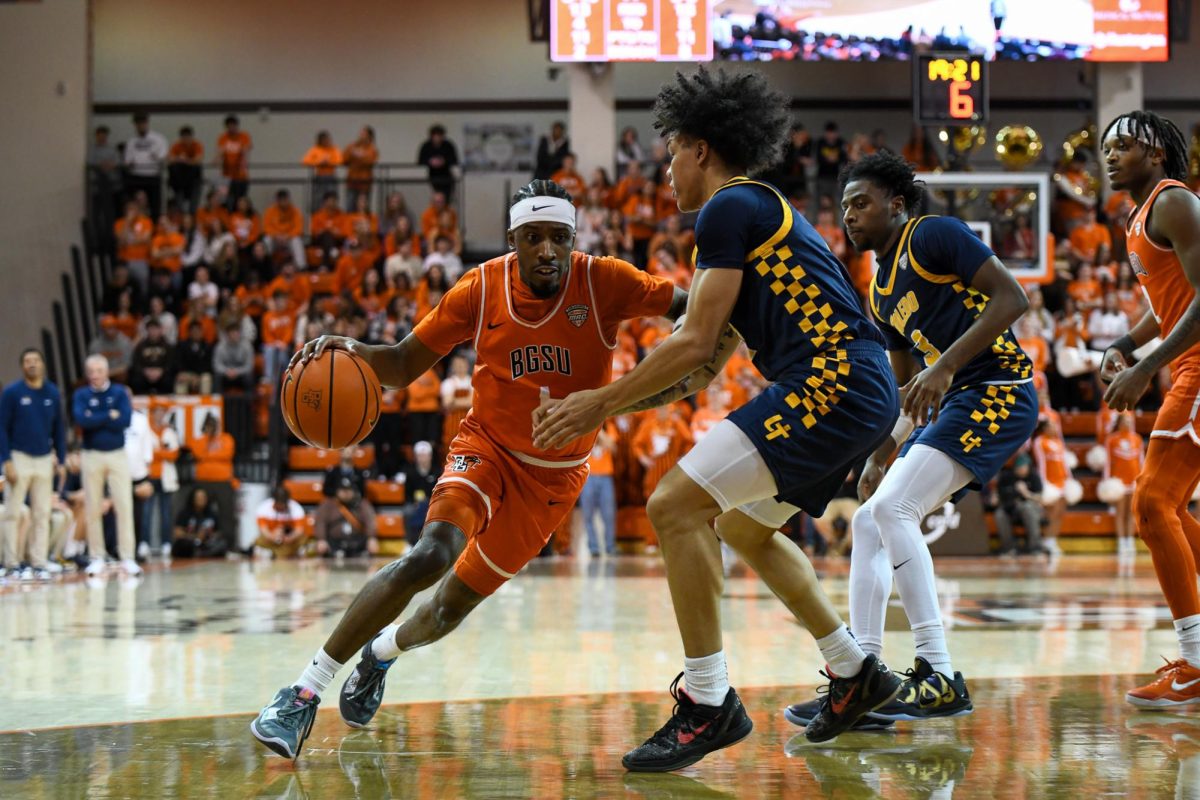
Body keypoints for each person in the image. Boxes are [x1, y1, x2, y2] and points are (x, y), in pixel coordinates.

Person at [532, 68, 905, 768]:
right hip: (860, 385)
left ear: (701, 148)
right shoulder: (755, 214)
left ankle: (708, 702)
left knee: (673, 505)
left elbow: (695, 341)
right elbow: (703, 366)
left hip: (833, 378)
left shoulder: (728, 208)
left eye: (670, 151)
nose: (664, 169)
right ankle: (855, 673)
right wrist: (605, 411)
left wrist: (599, 401)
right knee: (738, 523)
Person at [250, 178, 686, 759]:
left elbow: (693, 304)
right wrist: (350, 350)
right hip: (486, 447)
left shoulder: (604, 279)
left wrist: (693, 339)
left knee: (448, 609)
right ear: (513, 239)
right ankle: (302, 693)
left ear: (574, 238)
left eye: (560, 237)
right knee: (429, 553)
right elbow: (404, 364)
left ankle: (381, 654)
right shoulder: (480, 288)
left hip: (555, 477)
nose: (548, 251)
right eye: (534, 238)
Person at [786, 151, 1038, 726]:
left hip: (999, 387)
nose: (850, 216)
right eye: (845, 206)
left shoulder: (934, 236)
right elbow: (906, 389)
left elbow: (1012, 299)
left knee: (894, 511)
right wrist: (881, 453)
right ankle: (863, 681)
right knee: (870, 518)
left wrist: (945, 366)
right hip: (955, 400)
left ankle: (939, 671)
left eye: (861, 203)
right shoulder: (878, 291)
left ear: (896, 205)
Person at [1098, 111, 1200, 707]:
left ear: (1159, 154)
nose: (1112, 155)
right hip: (1186, 362)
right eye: (1108, 147)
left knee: (1153, 502)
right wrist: (1125, 344)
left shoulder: (1175, 203)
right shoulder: (1141, 214)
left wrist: (1144, 367)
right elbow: (1171, 302)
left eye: (1126, 146)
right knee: (1169, 507)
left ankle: (1194, 663)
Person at [0, 349, 67, 580]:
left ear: (43, 364)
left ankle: (38, 561)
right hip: (19, 457)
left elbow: (59, 428)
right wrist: (5, 460)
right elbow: (2, 428)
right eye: (27, 361)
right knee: (13, 512)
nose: (32, 365)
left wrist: (62, 459)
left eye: (35, 361)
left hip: (44, 457)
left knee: (42, 512)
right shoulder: (12, 392)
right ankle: (11, 562)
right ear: (22, 366)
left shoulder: (52, 392)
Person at [73, 355, 140, 577]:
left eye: (99, 370)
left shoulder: (120, 392)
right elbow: (82, 420)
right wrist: (109, 415)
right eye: (91, 371)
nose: (95, 375)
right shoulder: (81, 394)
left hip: (117, 454)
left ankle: (127, 557)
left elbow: (125, 420)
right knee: (93, 506)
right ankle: (97, 557)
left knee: (123, 505)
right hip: (91, 454)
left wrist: (97, 418)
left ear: (106, 371)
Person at [1104, 411, 1144, 556]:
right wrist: (1107, 481)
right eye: (1125, 421)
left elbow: (1141, 461)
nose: (1128, 423)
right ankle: (1121, 542)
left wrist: (1141, 480)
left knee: (1131, 513)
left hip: (1133, 480)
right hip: (1118, 481)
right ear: (1119, 423)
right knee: (1120, 512)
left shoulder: (1137, 439)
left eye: (1129, 421)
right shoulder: (1111, 439)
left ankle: (1130, 541)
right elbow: (1108, 462)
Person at [314, 478, 379, 558]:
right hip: (334, 544)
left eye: (348, 490)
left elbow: (370, 522)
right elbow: (320, 523)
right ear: (336, 491)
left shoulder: (362, 504)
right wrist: (321, 539)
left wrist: (371, 538)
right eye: (342, 490)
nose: (346, 493)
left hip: (357, 544)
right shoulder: (327, 505)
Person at [993, 453, 1043, 556]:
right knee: (999, 514)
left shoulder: (1034, 476)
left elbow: (1040, 498)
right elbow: (999, 494)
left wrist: (1026, 493)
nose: (1022, 469)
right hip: (1011, 506)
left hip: (1032, 507)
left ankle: (1035, 546)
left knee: (1027, 507)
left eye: (1025, 467)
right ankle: (1009, 547)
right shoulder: (1006, 477)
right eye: (1020, 467)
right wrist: (995, 498)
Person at [124, 112, 168, 217]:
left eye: (143, 123)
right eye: (138, 124)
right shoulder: (131, 141)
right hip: (136, 176)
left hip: (152, 175)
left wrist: (157, 158)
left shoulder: (158, 139)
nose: (140, 126)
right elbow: (127, 161)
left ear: (147, 123)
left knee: (155, 206)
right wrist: (130, 164)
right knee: (135, 204)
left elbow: (164, 157)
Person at [254, 485, 308, 560]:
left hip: (290, 540)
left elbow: (299, 530)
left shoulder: (296, 509)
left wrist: (289, 538)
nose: (281, 508)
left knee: (303, 540)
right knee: (259, 541)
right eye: (279, 505)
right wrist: (273, 536)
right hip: (271, 538)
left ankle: (293, 554)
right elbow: (263, 530)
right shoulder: (264, 508)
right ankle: (269, 553)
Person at [171, 486, 224, 558]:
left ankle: (202, 554)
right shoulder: (185, 513)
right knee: (182, 544)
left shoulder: (212, 514)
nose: (201, 499)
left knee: (222, 544)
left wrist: (208, 536)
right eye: (198, 497)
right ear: (193, 499)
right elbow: (177, 532)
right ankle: (198, 553)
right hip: (190, 542)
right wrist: (195, 536)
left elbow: (218, 532)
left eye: (203, 497)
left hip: (205, 544)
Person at [216, 115, 252, 207]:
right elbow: (220, 152)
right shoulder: (223, 138)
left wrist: (242, 163)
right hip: (225, 175)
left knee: (239, 202)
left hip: (241, 176)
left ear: (237, 126)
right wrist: (217, 160)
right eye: (229, 126)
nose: (231, 128)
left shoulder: (244, 136)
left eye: (233, 126)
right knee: (222, 201)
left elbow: (245, 150)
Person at [417, 124, 459, 200]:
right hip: (432, 175)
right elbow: (420, 161)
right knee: (436, 197)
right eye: (435, 136)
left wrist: (444, 161)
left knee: (446, 198)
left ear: (443, 136)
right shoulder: (426, 146)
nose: (437, 138)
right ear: (431, 136)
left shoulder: (448, 145)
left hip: (446, 176)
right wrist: (430, 162)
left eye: (439, 136)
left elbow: (454, 160)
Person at [167, 126, 204, 212]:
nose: (186, 139)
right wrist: (179, 159)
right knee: (179, 206)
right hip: (179, 181)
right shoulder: (177, 146)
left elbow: (198, 160)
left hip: (193, 181)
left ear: (191, 137)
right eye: (184, 137)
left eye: (188, 136)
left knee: (193, 206)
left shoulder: (197, 145)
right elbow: (170, 159)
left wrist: (185, 160)